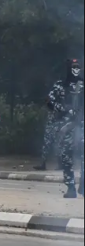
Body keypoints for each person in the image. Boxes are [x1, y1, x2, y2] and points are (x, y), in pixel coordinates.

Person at [48, 59, 84, 198]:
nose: (76, 69)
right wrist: (64, 109)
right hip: (66, 124)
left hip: (82, 123)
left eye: (78, 67)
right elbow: (50, 101)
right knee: (66, 157)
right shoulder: (60, 85)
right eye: (73, 67)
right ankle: (70, 187)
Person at [33, 98, 63, 171]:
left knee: (57, 146)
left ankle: (60, 164)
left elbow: (57, 111)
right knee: (46, 146)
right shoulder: (51, 106)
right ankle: (43, 164)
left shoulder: (58, 105)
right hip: (50, 127)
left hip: (56, 127)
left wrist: (49, 103)